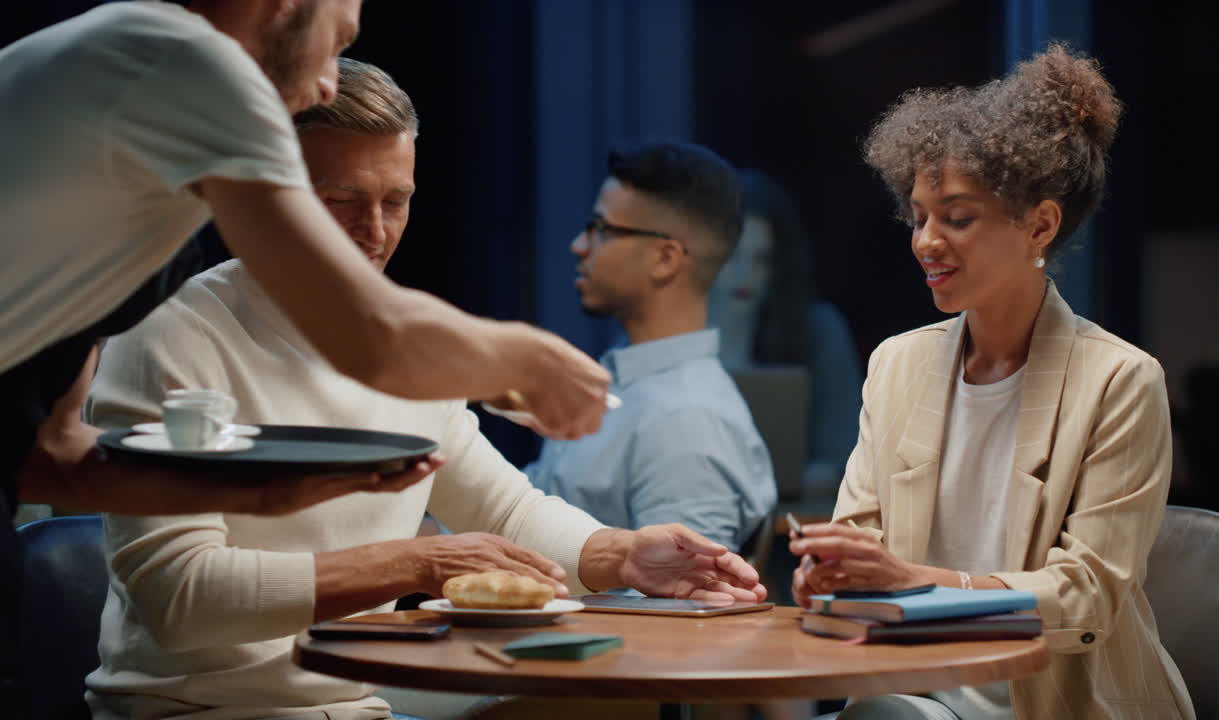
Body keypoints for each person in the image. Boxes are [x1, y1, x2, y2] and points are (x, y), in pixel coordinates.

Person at [83, 59, 766, 720]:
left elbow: (505, 510)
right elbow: (178, 597)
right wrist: (413, 562)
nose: (376, 233)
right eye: (342, 202)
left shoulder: (408, 347)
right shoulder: (173, 335)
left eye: (396, 201)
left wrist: (625, 555)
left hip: (358, 706)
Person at [0, 2, 604, 711]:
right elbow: (378, 339)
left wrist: (256, 493)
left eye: (395, 201)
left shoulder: (123, 223)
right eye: (336, 38)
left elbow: (51, 461)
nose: (326, 81)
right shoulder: (185, 60)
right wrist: (524, 361)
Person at [789, 45, 1194, 719]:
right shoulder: (896, 365)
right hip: (911, 701)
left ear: (1040, 224)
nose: (926, 240)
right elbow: (859, 546)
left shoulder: (1120, 380)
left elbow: (1084, 598)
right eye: (918, 216)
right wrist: (829, 575)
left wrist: (912, 582)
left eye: (957, 217)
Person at [523, 141, 776, 552]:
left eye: (602, 230)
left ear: (665, 258)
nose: (580, 245)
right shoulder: (628, 380)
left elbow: (682, 591)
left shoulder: (686, 418)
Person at [709, 169, 863, 493]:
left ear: (780, 265)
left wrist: (756, 487)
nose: (745, 274)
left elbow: (846, 461)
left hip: (792, 519)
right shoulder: (670, 329)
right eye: (732, 256)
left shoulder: (819, 331)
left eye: (762, 259)